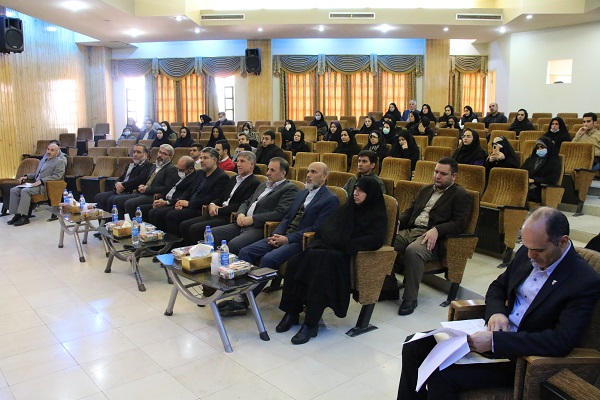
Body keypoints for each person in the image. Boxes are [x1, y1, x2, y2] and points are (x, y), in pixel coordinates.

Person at [397, 207, 600, 399]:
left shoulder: (583, 280)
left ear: (562, 242)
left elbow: (561, 341)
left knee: (441, 375)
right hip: (491, 332)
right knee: (413, 345)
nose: (530, 255)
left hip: (521, 357)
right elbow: (497, 287)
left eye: (538, 250)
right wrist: (497, 313)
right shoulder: (527, 253)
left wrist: (496, 342)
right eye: (527, 247)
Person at [276, 176, 387, 344]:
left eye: (361, 191)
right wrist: (332, 239)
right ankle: (292, 312)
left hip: (344, 257)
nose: (356, 193)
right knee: (294, 263)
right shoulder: (348, 208)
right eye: (355, 189)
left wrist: (345, 243)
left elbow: (375, 240)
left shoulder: (376, 214)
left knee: (320, 270)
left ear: (370, 194)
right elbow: (326, 227)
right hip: (326, 249)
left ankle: (311, 323)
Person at [222, 162, 340, 317]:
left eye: (313, 172)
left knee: (269, 258)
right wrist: (276, 234)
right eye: (308, 171)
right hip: (282, 235)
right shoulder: (302, 193)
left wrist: (287, 239)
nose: (308, 175)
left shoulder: (330, 199)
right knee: (246, 252)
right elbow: (287, 218)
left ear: (324, 177)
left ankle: (243, 301)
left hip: (300, 241)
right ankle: (238, 294)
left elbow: (316, 229)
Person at [394, 157, 472, 315]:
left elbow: (459, 224)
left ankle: (410, 299)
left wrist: (437, 229)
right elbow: (411, 211)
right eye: (436, 172)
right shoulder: (426, 189)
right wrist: (396, 223)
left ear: (454, 176)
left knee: (414, 251)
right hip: (412, 230)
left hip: (435, 238)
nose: (437, 176)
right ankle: (388, 285)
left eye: (443, 174)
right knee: (385, 240)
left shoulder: (460, 195)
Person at [211, 157, 298, 255]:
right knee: (213, 233)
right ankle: (211, 262)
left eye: (272, 170)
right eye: (268, 169)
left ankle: (226, 263)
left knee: (234, 244)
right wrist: (241, 214)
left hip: (259, 227)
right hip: (243, 222)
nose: (268, 173)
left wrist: (253, 219)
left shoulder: (289, 188)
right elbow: (247, 202)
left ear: (283, 173)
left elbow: (280, 213)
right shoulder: (263, 185)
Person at [179, 151, 260, 245]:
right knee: (184, 225)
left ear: (251, 165)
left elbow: (240, 205)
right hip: (217, 212)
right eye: (237, 161)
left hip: (229, 216)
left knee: (195, 228)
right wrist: (213, 204)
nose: (238, 164)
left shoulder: (254, 183)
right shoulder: (234, 179)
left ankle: (201, 251)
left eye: (242, 161)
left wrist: (218, 210)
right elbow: (222, 196)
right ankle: (188, 250)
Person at [147, 147, 229, 237]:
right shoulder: (200, 173)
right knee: (156, 212)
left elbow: (212, 198)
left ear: (214, 160)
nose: (202, 160)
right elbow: (189, 190)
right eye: (201, 158)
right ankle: (159, 239)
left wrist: (189, 203)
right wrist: (180, 201)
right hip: (188, 204)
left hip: (200, 208)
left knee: (171, 215)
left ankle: (175, 242)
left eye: (205, 158)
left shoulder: (221, 177)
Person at [7, 143, 66, 226]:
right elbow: (37, 174)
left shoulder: (59, 162)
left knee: (25, 191)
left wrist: (42, 181)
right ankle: (17, 215)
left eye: (52, 150)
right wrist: (26, 176)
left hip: (45, 186)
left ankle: (24, 217)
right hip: (35, 184)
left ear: (57, 152)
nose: (49, 152)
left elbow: (57, 176)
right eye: (48, 149)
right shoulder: (43, 160)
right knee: (14, 190)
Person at [115, 144, 179, 219]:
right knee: (118, 200)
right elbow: (147, 180)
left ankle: (132, 225)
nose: (160, 155)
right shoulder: (155, 166)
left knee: (129, 203)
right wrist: (142, 185)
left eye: (164, 154)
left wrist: (147, 189)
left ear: (170, 157)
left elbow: (166, 188)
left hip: (154, 195)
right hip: (144, 192)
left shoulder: (171, 169)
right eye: (159, 152)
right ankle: (120, 224)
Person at [94, 144, 152, 212]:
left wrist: (123, 185)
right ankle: (105, 218)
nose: (135, 154)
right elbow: (121, 177)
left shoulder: (148, 166)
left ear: (145, 154)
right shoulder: (130, 165)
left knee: (113, 199)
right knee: (99, 197)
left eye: (139, 152)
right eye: (134, 152)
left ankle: (113, 218)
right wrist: (117, 184)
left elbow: (139, 180)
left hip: (131, 191)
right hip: (121, 189)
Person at [520, 137, 562, 203]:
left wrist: (534, 180)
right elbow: (522, 171)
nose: (539, 149)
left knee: (520, 195)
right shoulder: (531, 159)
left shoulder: (554, 161)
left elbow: (553, 179)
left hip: (541, 188)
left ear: (548, 148)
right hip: (526, 186)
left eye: (542, 147)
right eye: (538, 147)